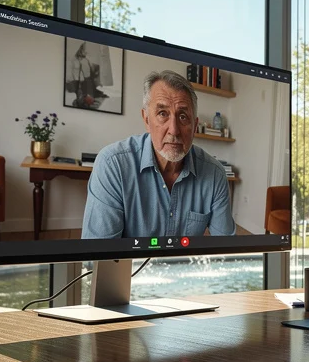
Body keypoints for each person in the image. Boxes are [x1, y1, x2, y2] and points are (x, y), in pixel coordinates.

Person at [81, 70, 235, 239]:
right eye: (163, 114)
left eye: (183, 117)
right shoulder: (112, 165)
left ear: (195, 126)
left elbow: (225, 249)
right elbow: (100, 257)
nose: (174, 130)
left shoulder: (215, 174)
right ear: (146, 119)